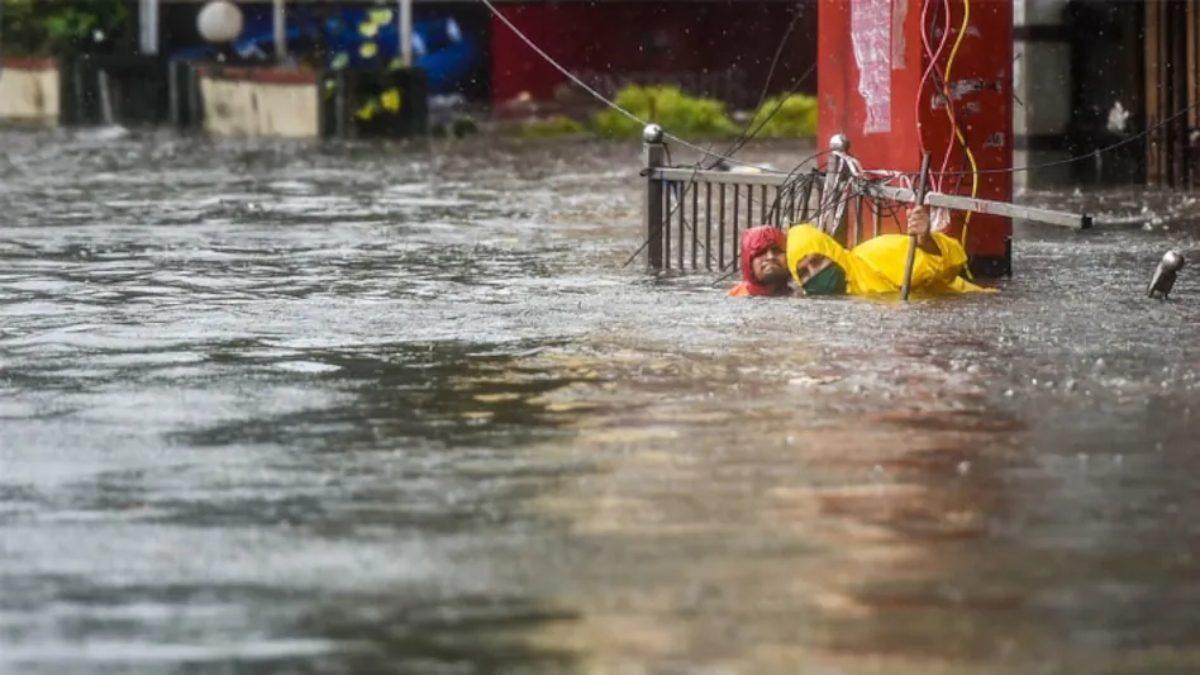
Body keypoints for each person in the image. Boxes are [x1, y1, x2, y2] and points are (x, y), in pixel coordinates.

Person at [787, 207, 991, 296]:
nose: (815, 273)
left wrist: (926, 241)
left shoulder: (878, 254)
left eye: (818, 261)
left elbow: (945, 266)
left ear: (832, 252)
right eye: (804, 272)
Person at [727, 226, 793, 297]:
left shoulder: (800, 295)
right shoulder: (735, 297)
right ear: (748, 263)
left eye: (777, 250)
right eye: (761, 252)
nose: (770, 257)